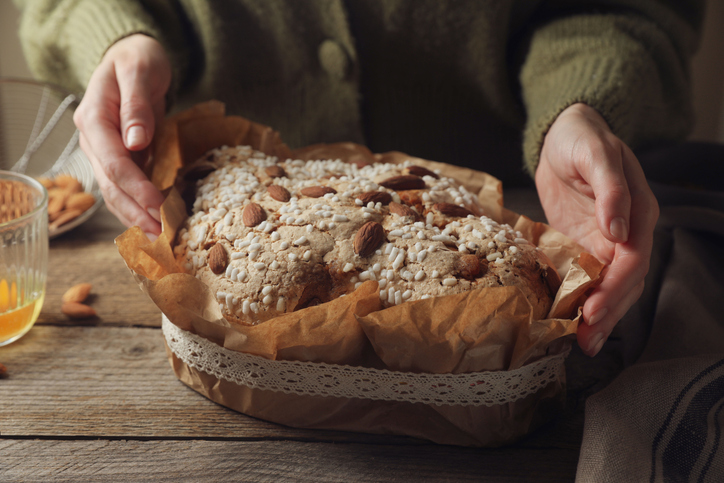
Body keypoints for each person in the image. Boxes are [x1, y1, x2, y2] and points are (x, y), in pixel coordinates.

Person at [14, 0, 703, 357]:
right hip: (208, 186)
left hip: (532, 199)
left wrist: (578, 106)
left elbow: (627, 8)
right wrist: (118, 37)